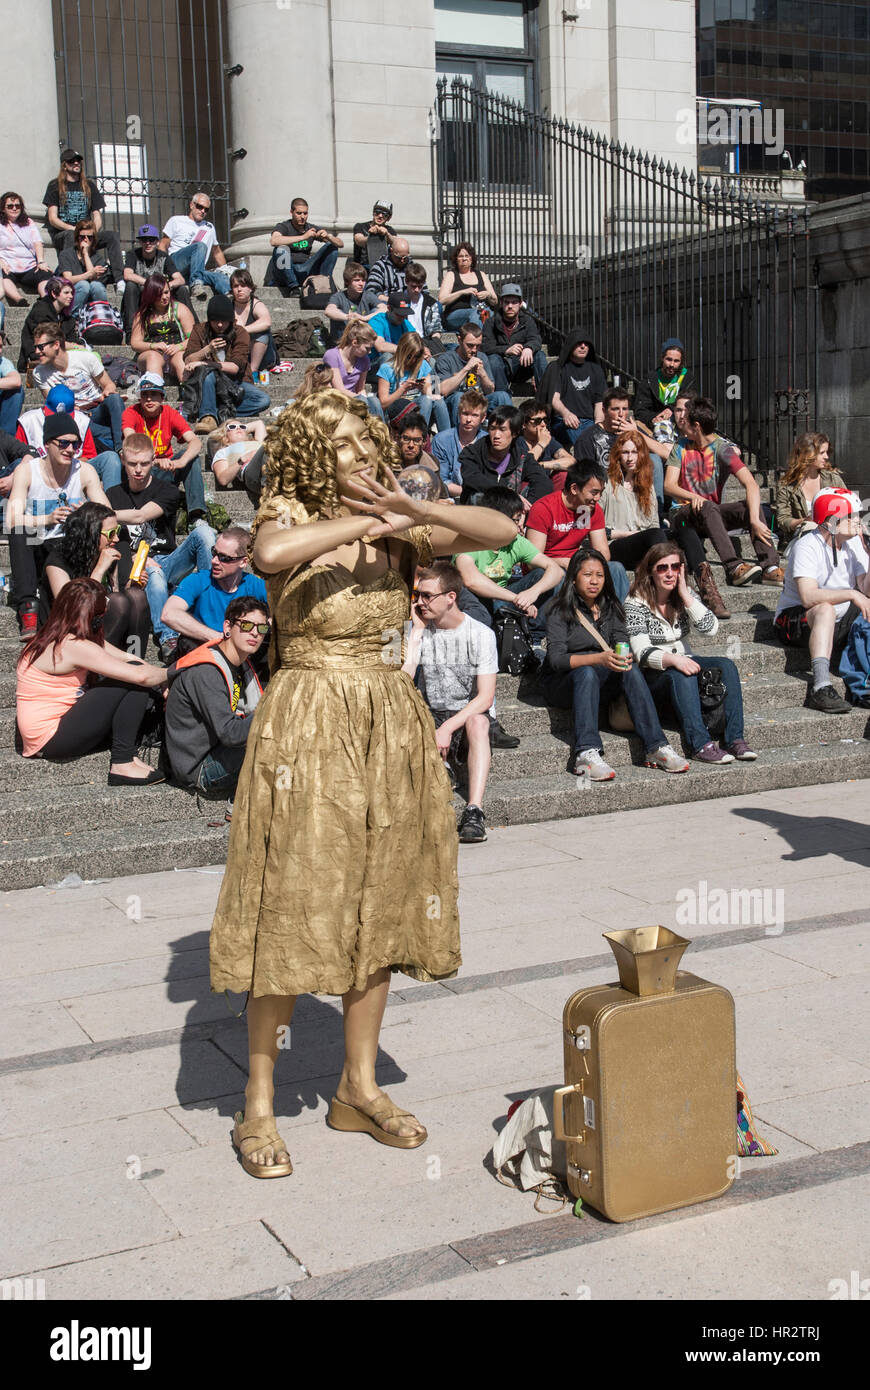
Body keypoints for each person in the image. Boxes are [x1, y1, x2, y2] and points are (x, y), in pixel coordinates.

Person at [208, 388, 516, 1176]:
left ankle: (358, 1086)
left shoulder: (397, 514)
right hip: (310, 717)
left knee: (380, 901)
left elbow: (505, 531)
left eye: (368, 443)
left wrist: (415, 510)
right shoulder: (286, 511)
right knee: (290, 903)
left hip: (388, 717)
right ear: (316, 457)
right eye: (347, 449)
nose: (366, 458)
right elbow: (271, 557)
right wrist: (376, 520)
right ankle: (258, 1106)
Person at [541, 546, 689, 780]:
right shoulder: (559, 610)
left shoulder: (611, 607)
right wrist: (599, 658)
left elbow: (621, 641)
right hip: (563, 682)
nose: (594, 581)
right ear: (573, 578)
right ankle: (586, 753)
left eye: (599, 575)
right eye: (587, 574)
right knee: (587, 673)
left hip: (601, 675)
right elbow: (557, 659)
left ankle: (656, 747)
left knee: (628, 670)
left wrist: (624, 656)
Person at [16, 576, 167, 783]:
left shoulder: (54, 635)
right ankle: (122, 761)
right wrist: (175, 672)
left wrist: (158, 676)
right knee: (132, 679)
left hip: (55, 728)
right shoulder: (72, 646)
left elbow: (129, 657)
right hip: (51, 739)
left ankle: (127, 756)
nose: (104, 616)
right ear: (91, 616)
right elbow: (139, 675)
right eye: (101, 613)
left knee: (132, 671)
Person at [625, 543, 755, 762]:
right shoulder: (635, 602)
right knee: (681, 672)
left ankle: (735, 739)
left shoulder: (683, 595)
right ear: (650, 571)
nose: (669, 573)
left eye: (675, 567)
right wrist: (673, 659)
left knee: (726, 665)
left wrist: (685, 595)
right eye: (662, 568)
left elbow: (711, 629)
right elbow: (641, 652)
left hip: (685, 661)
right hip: (653, 674)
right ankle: (700, 744)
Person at [403, 560, 497, 845]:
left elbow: (485, 697)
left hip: (466, 717)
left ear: (450, 598)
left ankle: (474, 810)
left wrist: (447, 729)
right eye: (417, 595)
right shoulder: (413, 628)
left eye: (427, 596)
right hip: (431, 714)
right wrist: (417, 632)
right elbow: (402, 683)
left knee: (478, 721)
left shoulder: (481, 634)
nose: (420, 602)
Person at [108, 432, 214, 663]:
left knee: (204, 533)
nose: (138, 469)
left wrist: (103, 513)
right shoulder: (113, 494)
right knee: (153, 573)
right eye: (132, 463)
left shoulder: (168, 490)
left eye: (145, 463)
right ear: (123, 460)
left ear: (153, 460)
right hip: (138, 564)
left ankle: (210, 601)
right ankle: (168, 638)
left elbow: (140, 516)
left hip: (170, 560)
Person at [6, 412, 111, 637]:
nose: (70, 449)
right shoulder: (28, 471)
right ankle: (28, 607)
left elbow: (107, 514)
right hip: (38, 546)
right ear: (47, 444)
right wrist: (48, 518)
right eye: (63, 443)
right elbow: (11, 518)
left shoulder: (84, 472)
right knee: (19, 529)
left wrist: (84, 514)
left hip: (68, 549)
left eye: (76, 444)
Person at [664, 396, 783, 588]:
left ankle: (769, 568)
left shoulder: (722, 449)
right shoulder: (680, 446)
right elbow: (668, 486)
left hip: (710, 516)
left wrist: (753, 519)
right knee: (709, 506)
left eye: (686, 418)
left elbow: (751, 484)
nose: (682, 421)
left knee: (748, 507)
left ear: (697, 426)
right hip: (683, 518)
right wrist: (694, 497)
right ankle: (733, 566)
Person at [773, 487, 870, 714]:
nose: (859, 521)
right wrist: (852, 594)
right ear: (832, 520)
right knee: (825, 608)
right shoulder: (807, 545)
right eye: (852, 517)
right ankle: (821, 687)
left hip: (839, 620)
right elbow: (808, 597)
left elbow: (866, 588)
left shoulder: (853, 545)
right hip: (794, 620)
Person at [165, 595, 267, 806]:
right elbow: (229, 733)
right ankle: (242, 802)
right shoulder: (207, 671)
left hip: (223, 749)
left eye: (262, 628)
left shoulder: (242, 664)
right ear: (228, 627)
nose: (255, 633)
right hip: (199, 767)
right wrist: (272, 713)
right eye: (247, 625)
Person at [454, 486, 562, 647]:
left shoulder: (516, 542)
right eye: (517, 519)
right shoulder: (469, 539)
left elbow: (556, 570)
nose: (521, 526)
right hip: (472, 602)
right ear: (498, 519)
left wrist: (533, 592)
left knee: (545, 576)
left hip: (502, 601)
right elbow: (471, 581)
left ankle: (533, 640)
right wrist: (516, 598)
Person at [42, 500, 151, 653]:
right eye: (110, 534)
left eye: (117, 531)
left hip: (98, 629)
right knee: (118, 602)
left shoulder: (106, 552)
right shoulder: (57, 562)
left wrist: (132, 586)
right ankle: (99, 674)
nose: (116, 539)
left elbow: (112, 596)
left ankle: (136, 662)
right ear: (90, 533)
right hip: (65, 636)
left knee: (136, 596)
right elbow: (71, 611)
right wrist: (99, 570)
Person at [525, 460, 629, 600]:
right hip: (548, 567)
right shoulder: (543, 509)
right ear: (574, 489)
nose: (598, 498)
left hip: (578, 565)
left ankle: (614, 617)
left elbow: (603, 552)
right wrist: (562, 562)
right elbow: (532, 561)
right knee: (556, 575)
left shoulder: (592, 510)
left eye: (600, 493)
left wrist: (586, 566)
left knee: (616, 569)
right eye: (594, 492)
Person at [161, 525, 268, 651]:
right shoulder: (199, 580)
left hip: (241, 655)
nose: (214, 561)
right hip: (204, 651)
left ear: (243, 562)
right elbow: (168, 614)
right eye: (214, 553)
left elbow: (283, 611)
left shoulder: (255, 585)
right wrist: (219, 638)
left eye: (224, 558)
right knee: (187, 642)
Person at [121, 373, 206, 523]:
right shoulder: (131, 412)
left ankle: (196, 516)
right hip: (142, 469)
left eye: (154, 394)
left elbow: (195, 442)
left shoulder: (170, 413)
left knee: (192, 459)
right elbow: (131, 441)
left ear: (162, 397)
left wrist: (181, 462)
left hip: (166, 470)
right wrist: (153, 462)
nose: (149, 399)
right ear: (139, 398)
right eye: (144, 395)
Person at [31, 322, 124, 455]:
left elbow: (109, 384)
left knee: (114, 398)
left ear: (56, 344)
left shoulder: (85, 358)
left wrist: (107, 391)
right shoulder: (39, 373)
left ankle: (122, 449)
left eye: (41, 347)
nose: (36, 352)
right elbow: (52, 404)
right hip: (73, 416)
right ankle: (115, 439)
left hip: (96, 408)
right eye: (36, 347)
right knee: (78, 423)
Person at [181, 295, 270, 434]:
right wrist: (207, 350)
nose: (220, 325)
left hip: (234, 383)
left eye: (224, 321)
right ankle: (207, 417)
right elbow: (188, 360)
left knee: (263, 400)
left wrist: (205, 362)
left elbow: (235, 367)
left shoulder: (240, 332)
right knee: (208, 374)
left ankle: (217, 411)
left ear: (231, 321)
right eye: (215, 321)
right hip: (206, 382)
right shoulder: (199, 330)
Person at [574, 387, 669, 500]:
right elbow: (584, 475)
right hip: (607, 491)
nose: (621, 414)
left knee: (654, 460)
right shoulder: (588, 438)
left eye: (625, 409)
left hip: (634, 485)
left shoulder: (631, 428)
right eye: (615, 409)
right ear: (604, 411)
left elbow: (666, 454)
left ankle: (657, 512)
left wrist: (636, 433)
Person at [42, 151, 124, 282]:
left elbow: (97, 215)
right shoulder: (54, 185)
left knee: (112, 236)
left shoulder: (89, 185)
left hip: (86, 232)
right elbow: (53, 218)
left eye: (78, 160)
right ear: (64, 165)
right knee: (69, 234)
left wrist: (91, 233)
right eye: (71, 161)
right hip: (64, 234)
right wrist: (74, 230)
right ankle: (72, 278)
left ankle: (120, 279)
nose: (76, 163)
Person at [458, 403, 551, 507]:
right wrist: (509, 496)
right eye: (493, 429)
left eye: (502, 430)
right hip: (478, 513)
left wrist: (524, 509)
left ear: (515, 433)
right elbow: (472, 479)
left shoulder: (522, 457)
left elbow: (544, 484)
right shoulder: (472, 453)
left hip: (510, 514)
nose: (496, 435)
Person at [602, 430, 668, 572]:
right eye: (625, 452)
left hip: (645, 542)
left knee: (685, 532)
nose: (630, 458)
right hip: (616, 544)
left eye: (634, 452)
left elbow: (654, 523)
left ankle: (705, 584)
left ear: (641, 455)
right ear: (618, 455)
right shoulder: (607, 484)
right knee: (656, 535)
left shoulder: (647, 485)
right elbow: (595, 527)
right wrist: (627, 534)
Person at [774, 433, 845, 549]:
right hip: (805, 538)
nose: (826, 457)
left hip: (834, 533)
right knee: (810, 526)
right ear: (808, 454)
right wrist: (804, 520)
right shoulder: (787, 485)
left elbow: (849, 506)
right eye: (822, 453)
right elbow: (783, 520)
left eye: (827, 452)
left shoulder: (832, 479)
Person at [434, 321, 513, 424]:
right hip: (455, 403)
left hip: (478, 401)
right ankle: (460, 436)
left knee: (502, 396)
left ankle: (510, 433)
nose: (474, 350)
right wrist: (466, 368)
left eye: (478, 346)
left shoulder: (482, 357)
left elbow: (490, 391)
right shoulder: (446, 359)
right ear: (459, 340)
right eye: (470, 345)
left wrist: (483, 375)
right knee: (459, 397)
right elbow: (443, 390)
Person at [121, 224, 191, 336]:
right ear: (140, 242)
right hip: (141, 296)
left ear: (157, 242)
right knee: (130, 286)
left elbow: (180, 279)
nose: (148, 243)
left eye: (151, 240)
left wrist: (164, 287)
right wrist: (149, 284)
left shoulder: (164, 257)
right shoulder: (132, 254)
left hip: (160, 296)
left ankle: (194, 330)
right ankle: (131, 332)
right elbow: (127, 274)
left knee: (182, 289)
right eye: (144, 240)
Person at [541, 329, 607, 446]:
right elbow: (554, 399)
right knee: (578, 435)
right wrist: (566, 414)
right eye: (579, 343)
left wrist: (598, 425)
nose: (583, 346)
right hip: (563, 421)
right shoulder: (558, 368)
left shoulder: (596, 369)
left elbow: (599, 403)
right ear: (571, 345)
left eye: (586, 344)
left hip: (589, 421)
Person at [376, 331, 450, 433]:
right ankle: (419, 436)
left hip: (419, 408)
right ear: (402, 351)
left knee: (438, 401)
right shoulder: (387, 368)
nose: (413, 360)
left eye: (417, 356)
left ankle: (447, 437)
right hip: (398, 410)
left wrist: (423, 387)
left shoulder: (422, 365)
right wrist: (403, 389)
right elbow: (383, 404)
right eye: (410, 356)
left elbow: (428, 395)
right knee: (426, 400)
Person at [159, 192, 231, 299]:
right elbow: (162, 245)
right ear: (191, 205)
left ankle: (230, 297)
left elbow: (217, 252)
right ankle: (196, 284)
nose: (202, 211)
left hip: (195, 271)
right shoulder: (176, 221)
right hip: (176, 265)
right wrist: (163, 270)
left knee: (220, 276)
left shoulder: (209, 227)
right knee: (200, 246)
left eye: (206, 209)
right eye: (200, 207)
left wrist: (225, 269)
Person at [268, 196, 343, 295]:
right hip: (286, 273)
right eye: (299, 213)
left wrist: (329, 236)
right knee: (281, 249)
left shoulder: (310, 228)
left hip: (305, 269)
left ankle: (324, 284)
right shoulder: (284, 226)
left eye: (305, 213)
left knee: (332, 247)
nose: (302, 216)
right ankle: (293, 287)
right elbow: (274, 241)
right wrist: (303, 236)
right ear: (292, 212)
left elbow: (340, 244)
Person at [482, 283, 548, 394]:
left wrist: (529, 348)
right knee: (493, 359)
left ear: (520, 303)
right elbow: (485, 346)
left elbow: (536, 339)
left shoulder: (527, 320)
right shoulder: (491, 322)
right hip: (501, 368)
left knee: (540, 355)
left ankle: (544, 397)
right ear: (501, 303)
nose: (510, 306)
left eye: (514, 302)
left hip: (522, 365)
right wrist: (506, 350)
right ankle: (503, 398)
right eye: (507, 302)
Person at [129, 273, 195, 384]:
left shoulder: (180, 309)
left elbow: (193, 338)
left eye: (166, 292)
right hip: (150, 355)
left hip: (176, 353)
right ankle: (156, 393)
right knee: (153, 356)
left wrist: (179, 346)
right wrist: (153, 346)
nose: (165, 297)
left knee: (179, 357)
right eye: (159, 294)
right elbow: (135, 343)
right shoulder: (142, 315)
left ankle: (188, 392)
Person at [431, 389, 488, 498]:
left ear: (483, 418)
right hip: (451, 498)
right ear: (458, 413)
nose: (468, 420)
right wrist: (471, 494)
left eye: (475, 415)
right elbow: (441, 480)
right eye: (465, 413)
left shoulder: (487, 441)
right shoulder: (441, 440)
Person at [17, 277, 81, 372]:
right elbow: (48, 341)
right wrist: (76, 347)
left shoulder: (68, 318)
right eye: (66, 293)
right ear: (54, 294)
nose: (71, 296)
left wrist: (78, 347)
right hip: (37, 356)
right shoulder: (40, 310)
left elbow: (73, 340)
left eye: (71, 293)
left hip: (60, 356)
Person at [632, 338, 698, 429]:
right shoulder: (649, 379)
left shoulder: (687, 379)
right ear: (662, 358)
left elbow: (692, 405)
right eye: (669, 359)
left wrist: (671, 409)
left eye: (676, 361)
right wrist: (653, 419)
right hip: (653, 426)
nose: (672, 364)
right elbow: (640, 409)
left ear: (681, 362)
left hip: (681, 426)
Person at [324, 321, 383, 417]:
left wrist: (363, 396)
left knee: (375, 401)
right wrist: (361, 399)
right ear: (355, 342)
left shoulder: (364, 360)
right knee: (363, 401)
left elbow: (360, 388)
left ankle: (380, 430)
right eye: (367, 348)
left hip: (353, 399)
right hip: (335, 398)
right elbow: (339, 389)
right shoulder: (332, 355)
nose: (369, 352)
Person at [0, 192, 51, 303]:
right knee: (3, 277)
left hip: (29, 265)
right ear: (3, 209)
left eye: (17, 206)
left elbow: (37, 242)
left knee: (45, 274)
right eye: (10, 206)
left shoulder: (28, 222)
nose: (14, 208)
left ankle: (45, 299)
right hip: (8, 265)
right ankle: (18, 299)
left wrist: (41, 261)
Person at [437, 242, 497, 331]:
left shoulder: (481, 274)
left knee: (490, 314)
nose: (464, 259)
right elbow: (442, 300)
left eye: (467, 256)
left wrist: (487, 294)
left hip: (482, 311)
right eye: (460, 256)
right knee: (476, 314)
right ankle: (478, 342)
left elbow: (495, 301)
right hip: (455, 315)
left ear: (472, 258)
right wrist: (462, 292)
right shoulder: (451, 274)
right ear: (456, 259)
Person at [57, 219, 113, 311]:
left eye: (89, 237)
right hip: (73, 295)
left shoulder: (98, 258)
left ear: (94, 239)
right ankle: (74, 319)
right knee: (84, 285)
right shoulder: (66, 254)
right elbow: (68, 279)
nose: (86, 240)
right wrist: (89, 274)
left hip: (92, 298)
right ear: (77, 237)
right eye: (82, 237)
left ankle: (100, 316)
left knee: (96, 286)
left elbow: (93, 278)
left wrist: (85, 254)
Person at [211, 417, 267, 510]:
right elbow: (223, 479)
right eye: (232, 427)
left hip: (271, 463)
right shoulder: (223, 451)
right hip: (252, 473)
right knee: (269, 446)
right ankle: (269, 492)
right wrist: (242, 460)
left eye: (241, 426)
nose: (238, 428)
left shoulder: (257, 442)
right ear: (225, 436)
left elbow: (259, 423)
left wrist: (240, 428)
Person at [230, 269, 275, 374]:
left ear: (250, 288)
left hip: (260, 355)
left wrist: (242, 330)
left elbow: (266, 322)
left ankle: (253, 372)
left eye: (243, 285)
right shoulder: (228, 305)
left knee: (262, 334)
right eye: (235, 286)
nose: (239, 289)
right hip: (236, 352)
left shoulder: (256, 304)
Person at [324, 261, 377, 345]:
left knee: (376, 310)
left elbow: (384, 308)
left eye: (363, 280)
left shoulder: (368, 295)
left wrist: (364, 318)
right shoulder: (338, 296)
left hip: (363, 339)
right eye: (357, 280)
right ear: (347, 282)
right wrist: (348, 317)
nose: (361, 284)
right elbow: (329, 311)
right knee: (337, 313)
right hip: (344, 339)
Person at [517, 400, 573, 475]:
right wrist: (541, 444)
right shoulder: (517, 442)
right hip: (522, 484)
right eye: (538, 420)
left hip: (543, 484)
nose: (543, 424)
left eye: (545, 420)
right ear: (523, 424)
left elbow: (572, 462)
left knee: (563, 474)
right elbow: (522, 467)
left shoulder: (548, 440)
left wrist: (542, 465)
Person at [404, 262, 445, 354]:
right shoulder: (399, 300)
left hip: (425, 340)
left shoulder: (431, 303)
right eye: (413, 286)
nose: (417, 290)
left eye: (420, 286)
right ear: (406, 282)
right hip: (406, 341)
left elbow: (436, 330)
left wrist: (434, 344)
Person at [361, 237, 411, 309]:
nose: (402, 261)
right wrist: (393, 301)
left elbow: (422, 289)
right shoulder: (380, 266)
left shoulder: (412, 266)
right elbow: (371, 291)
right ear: (391, 251)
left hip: (408, 305)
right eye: (399, 257)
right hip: (387, 305)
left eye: (405, 258)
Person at [352, 198, 397, 268]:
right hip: (362, 267)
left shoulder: (390, 230)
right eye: (377, 212)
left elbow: (396, 243)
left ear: (389, 218)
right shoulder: (360, 226)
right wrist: (371, 236)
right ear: (373, 213)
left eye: (385, 214)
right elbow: (359, 240)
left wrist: (387, 234)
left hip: (383, 267)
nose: (380, 216)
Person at [367, 290, 415, 356]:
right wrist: (406, 350)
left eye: (405, 314)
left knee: (426, 360)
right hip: (377, 361)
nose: (402, 317)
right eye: (399, 314)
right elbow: (380, 346)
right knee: (387, 356)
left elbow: (416, 343)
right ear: (389, 308)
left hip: (399, 360)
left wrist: (423, 350)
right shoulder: (377, 321)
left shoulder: (406, 324)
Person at [0, 329, 25, 435]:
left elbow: (16, 380)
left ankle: (6, 439)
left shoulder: (3, 362)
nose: (0, 350)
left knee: (17, 392)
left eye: (1, 346)